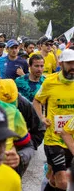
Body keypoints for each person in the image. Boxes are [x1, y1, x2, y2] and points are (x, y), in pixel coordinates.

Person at [33, 49, 74, 190]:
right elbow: (37, 101)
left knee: (53, 179)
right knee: (63, 182)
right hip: (54, 138)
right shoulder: (50, 81)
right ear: (61, 63)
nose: (73, 66)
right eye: (70, 63)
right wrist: (42, 118)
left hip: (71, 139)